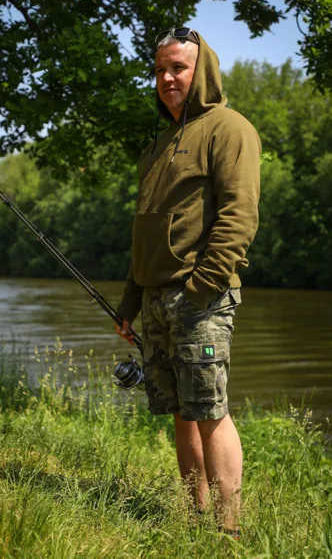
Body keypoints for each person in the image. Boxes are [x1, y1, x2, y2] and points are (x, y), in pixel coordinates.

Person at [115, 28, 261, 537]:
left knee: (210, 410)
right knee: (181, 411)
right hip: (155, 298)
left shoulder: (229, 128)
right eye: (159, 69)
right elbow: (144, 231)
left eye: (177, 67)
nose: (167, 78)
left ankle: (229, 532)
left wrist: (201, 288)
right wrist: (130, 303)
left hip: (201, 297)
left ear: (202, 71)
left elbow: (239, 216)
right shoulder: (156, 146)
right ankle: (195, 520)